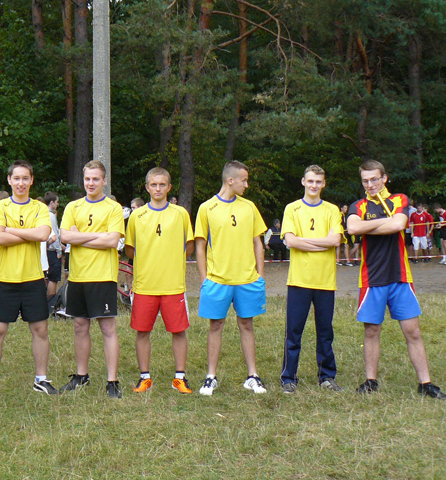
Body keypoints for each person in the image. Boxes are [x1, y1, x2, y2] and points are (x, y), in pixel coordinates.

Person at [347, 160, 446, 398]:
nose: (370, 184)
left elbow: (399, 223)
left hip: (400, 276)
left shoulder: (399, 199)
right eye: (365, 180)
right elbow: (353, 229)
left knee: (413, 331)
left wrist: (369, 226)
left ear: (384, 178)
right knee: (371, 331)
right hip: (371, 278)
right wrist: (386, 222)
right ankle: (371, 381)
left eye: (374, 179)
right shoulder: (358, 205)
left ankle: (425, 384)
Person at [0, 160, 57, 400]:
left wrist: (10, 230)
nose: (21, 183)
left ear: (31, 180)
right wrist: (29, 235)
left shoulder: (39, 208)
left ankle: (41, 380)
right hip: (5, 279)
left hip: (33, 278)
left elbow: (43, 234)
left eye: (25, 178)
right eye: (17, 178)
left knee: (40, 329)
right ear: (9, 180)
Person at [195, 161, 267, 395]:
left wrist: (260, 276)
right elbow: (200, 246)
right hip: (218, 280)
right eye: (244, 180)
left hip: (247, 280)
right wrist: (205, 279)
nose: (247, 185)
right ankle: (211, 376)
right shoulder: (207, 208)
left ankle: (252, 376)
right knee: (215, 325)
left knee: (247, 324)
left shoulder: (249, 207)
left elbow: (258, 242)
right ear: (230, 180)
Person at [124, 167, 194, 395]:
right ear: (147, 187)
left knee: (179, 331)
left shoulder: (180, 213)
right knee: (142, 331)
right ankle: (145, 377)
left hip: (173, 284)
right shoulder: (137, 216)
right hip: (145, 285)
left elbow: (189, 246)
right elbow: (130, 250)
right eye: (153, 184)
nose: (158, 189)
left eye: (162, 184)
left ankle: (180, 377)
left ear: (169, 187)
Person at [58, 161, 124, 398]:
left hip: (103, 276)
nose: (91, 183)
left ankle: (112, 381)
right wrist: (98, 236)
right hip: (78, 276)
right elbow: (65, 237)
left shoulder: (113, 208)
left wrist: (80, 237)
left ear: (104, 181)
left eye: (96, 179)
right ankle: (81, 376)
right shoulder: (73, 206)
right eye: (87, 179)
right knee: (80, 325)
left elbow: (112, 241)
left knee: (107, 327)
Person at [279, 165, 343, 393]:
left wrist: (304, 241)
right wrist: (320, 244)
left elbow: (335, 240)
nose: (314, 185)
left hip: (325, 280)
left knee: (325, 332)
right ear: (303, 182)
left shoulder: (332, 210)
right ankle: (288, 378)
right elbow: (291, 241)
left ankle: (326, 376)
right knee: (293, 332)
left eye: (318, 181)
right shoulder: (292, 208)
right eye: (310, 181)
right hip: (299, 280)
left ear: (323, 184)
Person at [44, 191, 63, 297]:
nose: (57, 204)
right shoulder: (51, 216)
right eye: (56, 202)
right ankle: (51, 300)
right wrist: (59, 250)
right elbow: (55, 235)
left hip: (46, 249)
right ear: (52, 202)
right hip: (52, 251)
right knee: (53, 278)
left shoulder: (43, 214)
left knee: (48, 276)